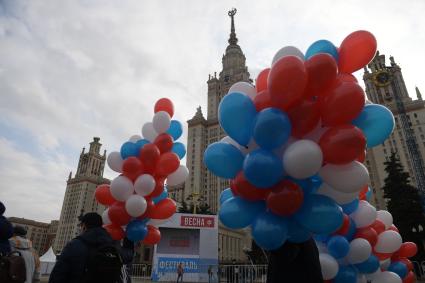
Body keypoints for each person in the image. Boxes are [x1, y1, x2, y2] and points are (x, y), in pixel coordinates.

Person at [49, 212, 131, 283]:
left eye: (81, 225)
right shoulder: (113, 245)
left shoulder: (74, 245)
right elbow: (128, 256)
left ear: (84, 226)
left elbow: (57, 276)